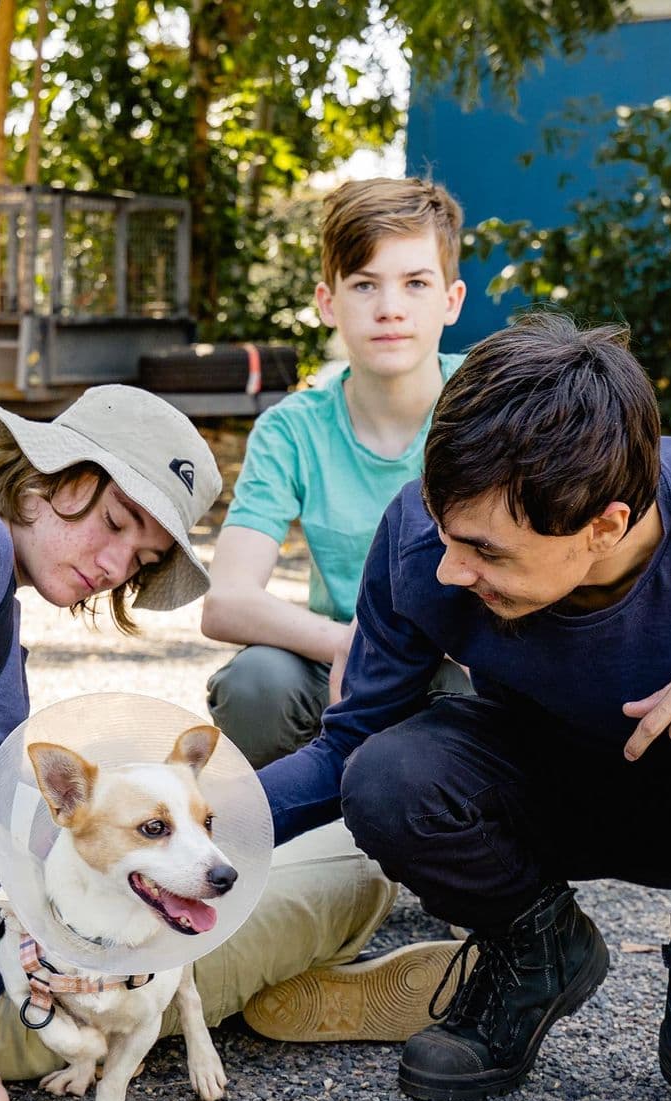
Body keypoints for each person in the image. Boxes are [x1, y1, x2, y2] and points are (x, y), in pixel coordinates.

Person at [0, 384, 456, 1101]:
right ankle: (259, 981)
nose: (116, 562)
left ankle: (254, 983)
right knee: (354, 865)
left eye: (144, 555)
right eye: (115, 520)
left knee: (211, 860)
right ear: (48, 470)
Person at [255, 313, 671, 1101]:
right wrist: (195, 825)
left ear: (605, 524)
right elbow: (347, 746)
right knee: (388, 775)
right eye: (446, 529)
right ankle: (537, 950)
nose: (453, 569)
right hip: (549, 793)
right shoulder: (424, 545)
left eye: (487, 551)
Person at [201, 177, 469, 769]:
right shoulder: (292, 429)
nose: (390, 307)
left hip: (464, 658)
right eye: (365, 284)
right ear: (328, 302)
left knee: (503, 695)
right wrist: (349, 641)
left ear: (451, 300)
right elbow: (226, 601)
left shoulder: (493, 404)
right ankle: (295, 828)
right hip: (343, 656)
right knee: (255, 684)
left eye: (415, 283)